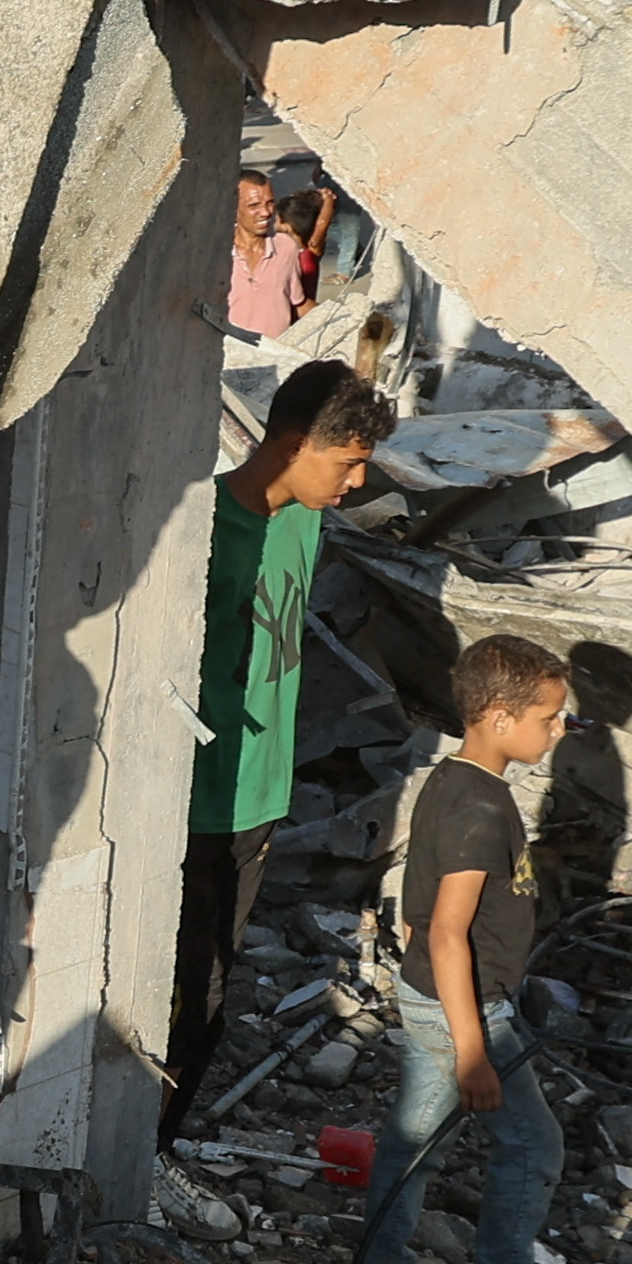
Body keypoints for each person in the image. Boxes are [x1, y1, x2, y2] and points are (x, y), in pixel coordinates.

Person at [163, 358, 397, 1140]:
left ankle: (151, 1146)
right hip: (192, 803)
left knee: (212, 992)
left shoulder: (302, 515)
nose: (357, 482)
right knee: (183, 992)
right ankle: (134, 1154)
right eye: (348, 461)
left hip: (258, 797)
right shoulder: (197, 535)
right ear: (294, 443)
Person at [347, 635, 580, 1264]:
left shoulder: (452, 782)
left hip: (428, 999)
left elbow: (423, 913)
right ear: (501, 718)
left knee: (414, 1136)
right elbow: (447, 933)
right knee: (534, 1147)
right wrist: (474, 1050)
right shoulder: (481, 810)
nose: (559, 729)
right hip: (466, 1012)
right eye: (549, 717)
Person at [226, 162, 338, 339]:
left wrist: (338, 317)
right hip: (232, 358)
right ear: (234, 207)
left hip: (276, 356)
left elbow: (298, 304)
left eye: (270, 203)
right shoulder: (219, 255)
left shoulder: (286, 247)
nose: (265, 212)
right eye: (254, 205)